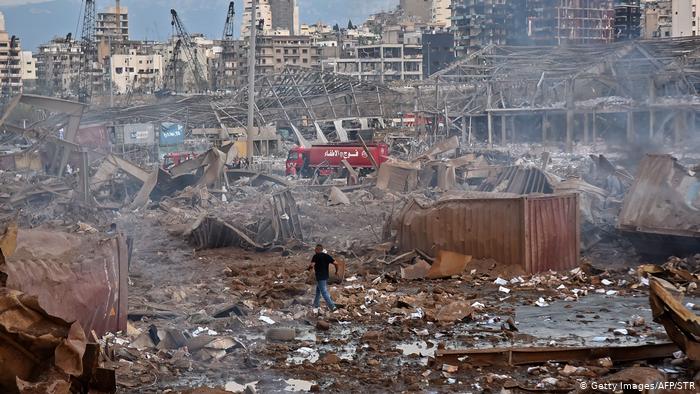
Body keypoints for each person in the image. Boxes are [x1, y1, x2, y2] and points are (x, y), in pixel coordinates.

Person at [308, 244, 338, 311]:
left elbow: (312, 265)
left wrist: (308, 269)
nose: (314, 250)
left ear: (317, 250)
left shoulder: (315, 256)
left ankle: (332, 307)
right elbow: (336, 263)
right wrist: (336, 271)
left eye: (315, 249)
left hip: (320, 276)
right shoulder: (326, 256)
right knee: (318, 290)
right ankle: (316, 304)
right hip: (325, 276)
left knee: (324, 292)